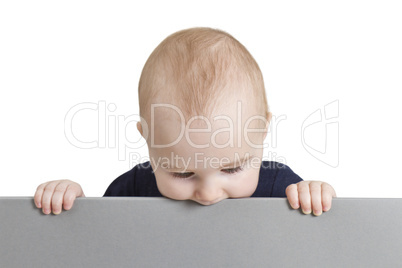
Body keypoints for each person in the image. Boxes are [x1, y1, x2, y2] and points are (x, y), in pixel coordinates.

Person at [34, 27, 336, 217]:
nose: (208, 193)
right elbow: (99, 241)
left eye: (231, 168)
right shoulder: (135, 188)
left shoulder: (280, 188)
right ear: (147, 139)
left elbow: (324, 237)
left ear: (262, 131)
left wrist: (317, 196)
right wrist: (74, 204)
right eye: (182, 172)